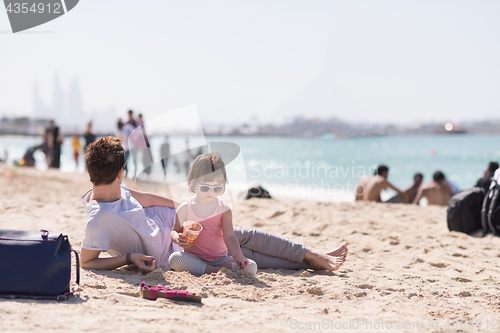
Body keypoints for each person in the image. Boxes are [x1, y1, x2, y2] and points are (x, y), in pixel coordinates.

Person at [80, 137, 347, 273]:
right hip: (178, 250)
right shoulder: (98, 220)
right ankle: (309, 262)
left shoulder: (117, 188)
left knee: (245, 236)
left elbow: (148, 199)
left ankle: (311, 254)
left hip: (185, 224)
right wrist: (128, 259)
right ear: (120, 172)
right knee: (252, 257)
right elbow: (87, 263)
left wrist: (186, 206)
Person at [169, 153, 258, 276]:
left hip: (220, 260)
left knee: (251, 266)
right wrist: (177, 237)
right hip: (194, 258)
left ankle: (209, 269)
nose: (211, 192)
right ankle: (215, 271)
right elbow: (174, 230)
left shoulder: (224, 210)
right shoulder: (185, 209)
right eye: (205, 187)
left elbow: (230, 236)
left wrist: (238, 256)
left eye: (217, 188)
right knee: (175, 259)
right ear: (193, 182)